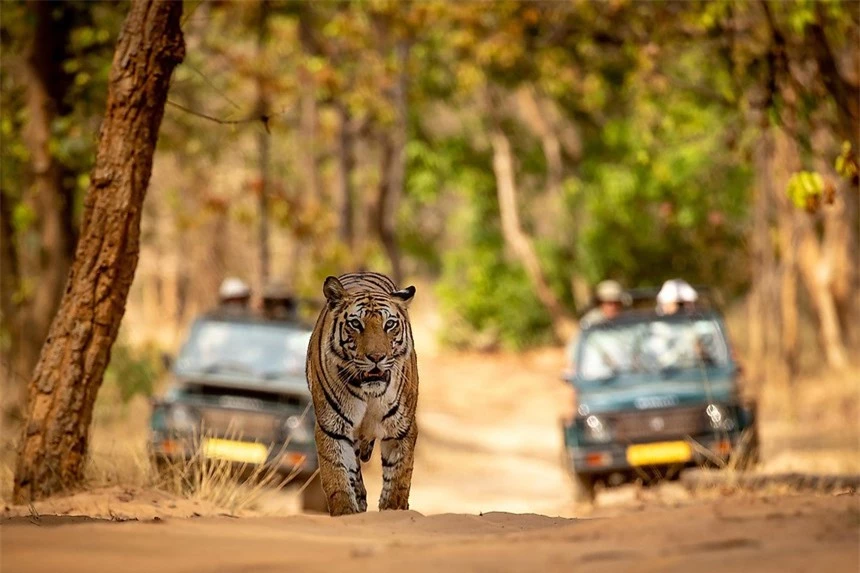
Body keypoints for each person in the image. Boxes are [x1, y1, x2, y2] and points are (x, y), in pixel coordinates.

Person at [563, 280, 627, 379]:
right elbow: (574, 352)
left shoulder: (628, 322)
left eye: (616, 302)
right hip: (598, 377)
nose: (613, 307)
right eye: (608, 303)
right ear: (600, 303)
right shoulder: (590, 323)